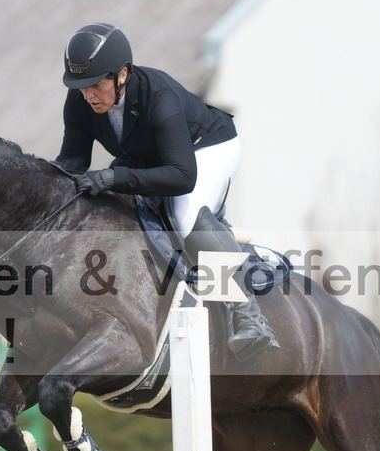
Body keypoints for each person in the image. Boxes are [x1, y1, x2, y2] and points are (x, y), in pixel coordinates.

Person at [55, 22, 278, 360]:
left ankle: (246, 315)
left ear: (123, 74)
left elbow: (181, 177)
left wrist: (115, 178)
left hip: (207, 148)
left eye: (96, 85)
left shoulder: (159, 97)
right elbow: (72, 162)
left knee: (183, 214)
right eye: (81, 87)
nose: (87, 95)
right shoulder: (80, 101)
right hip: (152, 157)